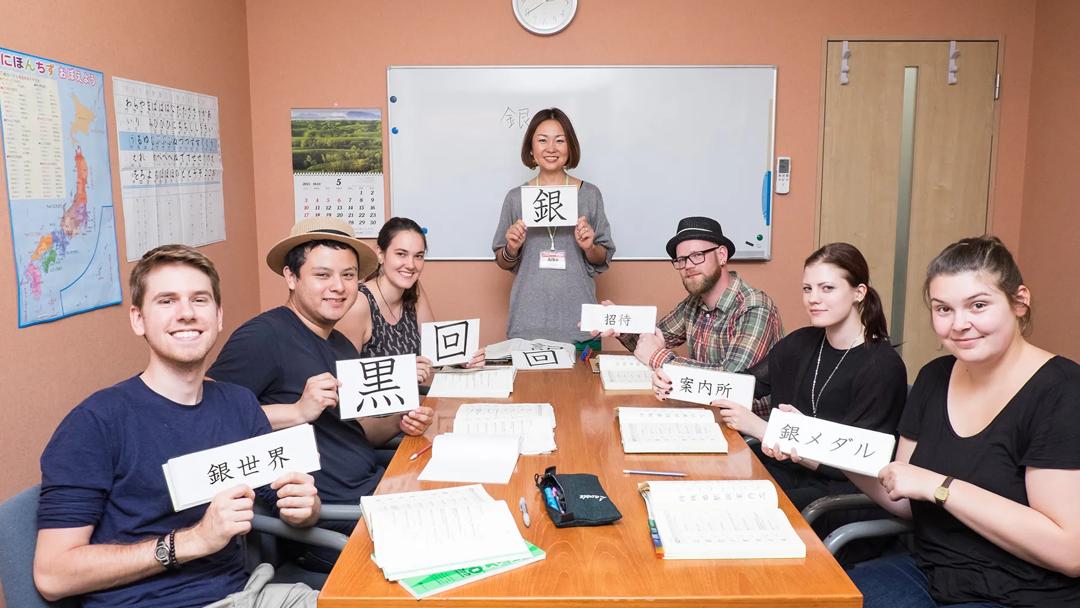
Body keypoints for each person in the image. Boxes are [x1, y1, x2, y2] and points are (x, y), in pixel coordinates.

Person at [775, 236, 1080, 607]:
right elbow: (904, 498)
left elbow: (1069, 551)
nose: (960, 324)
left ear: (1019, 301)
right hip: (927, 570)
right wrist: (817, 442)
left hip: (1019, 592)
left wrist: (942, 486)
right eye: (943, 309)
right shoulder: (934, 377)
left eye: (978, 305)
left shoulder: (1061, 391)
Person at [34, 245, 321, 608]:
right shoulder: (96, 422)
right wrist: (192, 541)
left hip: (245, 594)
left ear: (218, 316)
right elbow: (52, 576)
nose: (186, 314)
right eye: (166, 301)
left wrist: (305, 505)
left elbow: (286, 501)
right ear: (138, 320)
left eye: (199, 300)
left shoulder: (239, 404)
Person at [208, 217, 435, 571]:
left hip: (374, 490)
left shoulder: (341, 344)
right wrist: (297, 412)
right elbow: (205, 418)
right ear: (291, 277)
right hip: (332, 518)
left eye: (348, 276)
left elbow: (360, 430)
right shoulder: (263, 336)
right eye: (322, 275)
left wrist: (399, 421)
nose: (339, 287)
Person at [716, 242, 907, 511]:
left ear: (859, 292)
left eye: (827, 288)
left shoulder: (882, 366)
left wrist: (768, 430)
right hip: (790, 471)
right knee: (716, 486)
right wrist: (673, 379)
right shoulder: (800, 343)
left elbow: (855, 466)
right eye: (808, 288)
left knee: (746, 509)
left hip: (841, 496)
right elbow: (745, 385)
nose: (813, 298)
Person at [613, 216, 783, 418]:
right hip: (704, 413)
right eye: (681, 260)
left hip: (746, 426)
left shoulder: (754, 306)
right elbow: (649, 344)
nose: (688, 266)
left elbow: (733, 384)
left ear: (722, 255)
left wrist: (658, 357)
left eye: (697, 255)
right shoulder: (693, 303)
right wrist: (619, 324)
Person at [492, 107, 616, 345]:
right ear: (531, 148)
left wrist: (589, 246)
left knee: (583, 384)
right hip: (527, 324)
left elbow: (602, 258)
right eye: (542, 140)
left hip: (580, 324)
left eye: (560, 140)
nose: (551, 148)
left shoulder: (590, 195)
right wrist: (512, 247)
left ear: (570, 148)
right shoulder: (515, 198)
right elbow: (502, 260)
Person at [338, 217, 484, 378]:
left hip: (416, 401)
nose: (411, 265)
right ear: (380, 254)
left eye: (418, 256)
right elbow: (344, 380)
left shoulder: (414, 289)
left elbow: (435, 352)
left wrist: (462, 360)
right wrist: (401, 374)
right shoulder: (359, 303)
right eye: (401, 254)